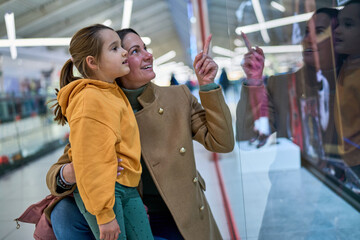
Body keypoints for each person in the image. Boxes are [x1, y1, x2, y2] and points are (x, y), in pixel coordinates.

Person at [46, 28, 235, 240]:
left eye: (145, 48)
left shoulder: (177, 98)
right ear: (116, 62)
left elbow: (223, 142)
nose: (148, 55)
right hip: (127, 214)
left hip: (178, 217)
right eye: (135, 51)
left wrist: (208, 85)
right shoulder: (100, 106)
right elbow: (58, 172)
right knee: (62, 212)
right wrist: (72, 172)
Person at [51, 24, 153, 240]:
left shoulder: (110, 91)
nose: (124, 51)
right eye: (115, 48)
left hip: (126, 187)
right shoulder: (89, 99)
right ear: (92, 62)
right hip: (105, 192)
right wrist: (105, 215)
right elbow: (90, 161)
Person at [236, 8, 339, 162]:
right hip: (291, 178)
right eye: (306, 32)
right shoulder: (281, 86)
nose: (308, 39)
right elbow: (248, 137)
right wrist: (254, 82)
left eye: (319, 32)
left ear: (339, 39)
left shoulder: (350, 85)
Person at [333, 0, 360, 185]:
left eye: (348, 25)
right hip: (348, 159)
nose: (337, 31)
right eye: (338, 25)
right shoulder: (345, 66)